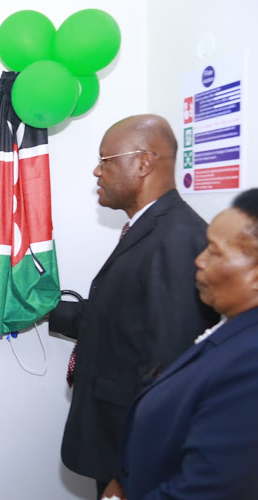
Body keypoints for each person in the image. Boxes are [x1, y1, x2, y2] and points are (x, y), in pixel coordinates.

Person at [48, 114, 218, 497]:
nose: (96, 171)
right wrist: (46, 308)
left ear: (143, 162)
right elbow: (123, 321)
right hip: (112, 439)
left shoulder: (178, 239)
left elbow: (168, 370)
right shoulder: (149, 228)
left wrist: (130, 473)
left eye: (106, 160)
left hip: (134, 456)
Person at [106, 188, 258, 499]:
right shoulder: (232, 327)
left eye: (214, 252)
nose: (199, 260)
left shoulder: (251, 364)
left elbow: (209, 490)